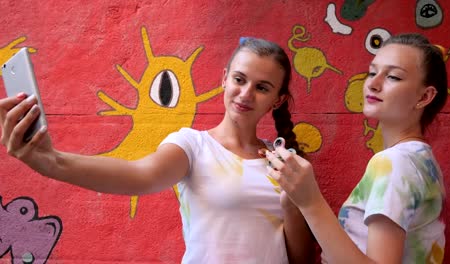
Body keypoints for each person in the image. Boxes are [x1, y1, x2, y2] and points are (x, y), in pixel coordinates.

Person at [0, 37, 316, 263]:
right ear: (224, 79)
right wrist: (51, 161)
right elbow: (140, 175)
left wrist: (292, 204)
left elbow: (301, 259)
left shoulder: (287, 166)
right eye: (239, 79)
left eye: (262, 87)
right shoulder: (192, 145)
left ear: (277, 100)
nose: (246, 93)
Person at [265, 33, 447, 263]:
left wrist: (310, 202)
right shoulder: (422, 160)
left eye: (393, 76)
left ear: (424, 96)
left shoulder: (395, 163)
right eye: (372, 72)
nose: (373, 83)